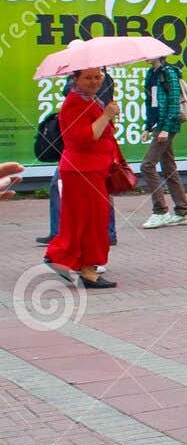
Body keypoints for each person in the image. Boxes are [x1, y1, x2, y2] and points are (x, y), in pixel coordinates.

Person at [43, 68, 122, 289]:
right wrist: (106, 115)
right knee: (90, 220)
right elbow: (85, 138)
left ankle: (75, 263)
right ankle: (83, 268)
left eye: (98, 77)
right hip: (82, 170)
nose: (94, 81)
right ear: (75, 79)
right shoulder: (75, 102)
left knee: (86, 220)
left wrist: (108, 115)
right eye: (87, 77)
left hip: (91, 169)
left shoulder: (91, 100)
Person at [139, 56, 187, 230]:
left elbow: (173, 102)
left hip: (167, 125)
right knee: (169, 168)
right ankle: (183, 211)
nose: (145, 57)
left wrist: (166, 128)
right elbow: (151, 103)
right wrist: (148, 127)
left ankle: (160, 212)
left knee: (147, 166)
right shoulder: (151, 73)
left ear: (158, 55)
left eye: (148, 54)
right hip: (158, 125)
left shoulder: (168, 72)